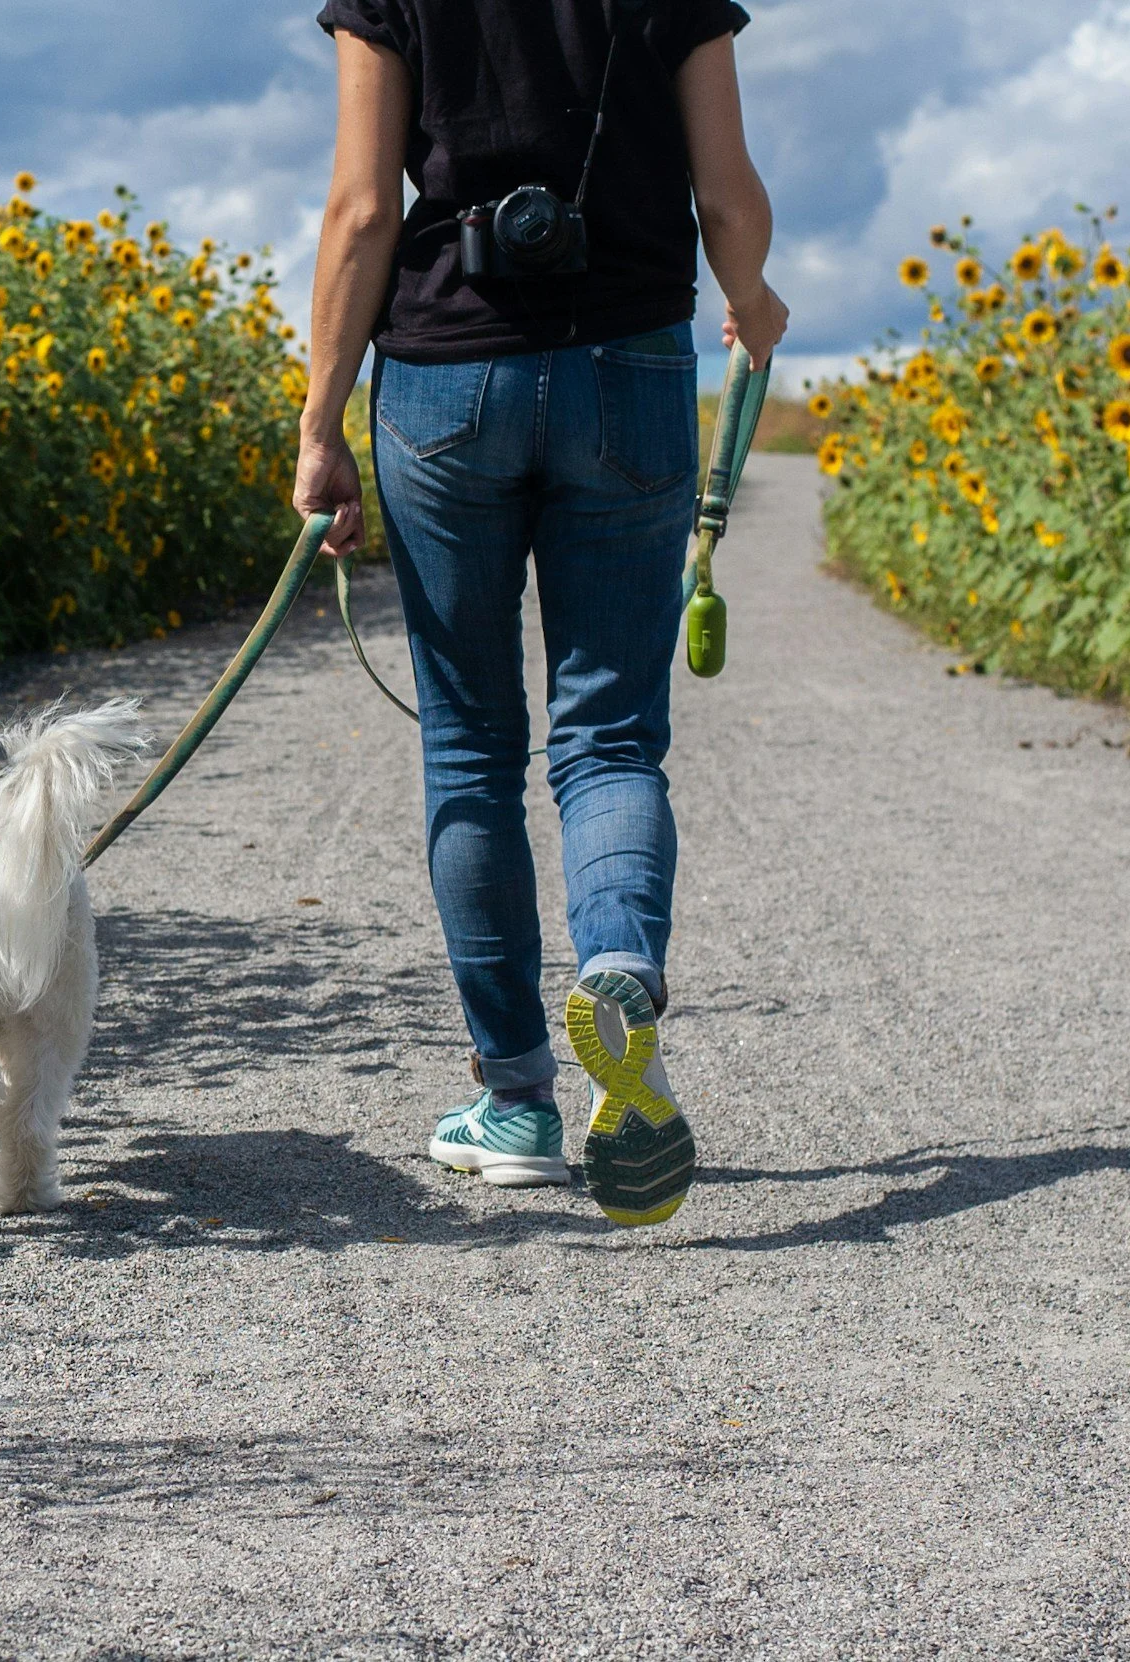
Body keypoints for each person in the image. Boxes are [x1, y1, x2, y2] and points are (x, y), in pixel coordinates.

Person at [296, 0, 786, 1227]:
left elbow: (362, 209)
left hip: (445, 373)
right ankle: (617, 964)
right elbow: (724, 190)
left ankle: (515, 1103)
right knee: (609, 737)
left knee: (468, 745)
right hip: (629, 364)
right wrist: (753, 296)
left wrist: (320, 420)